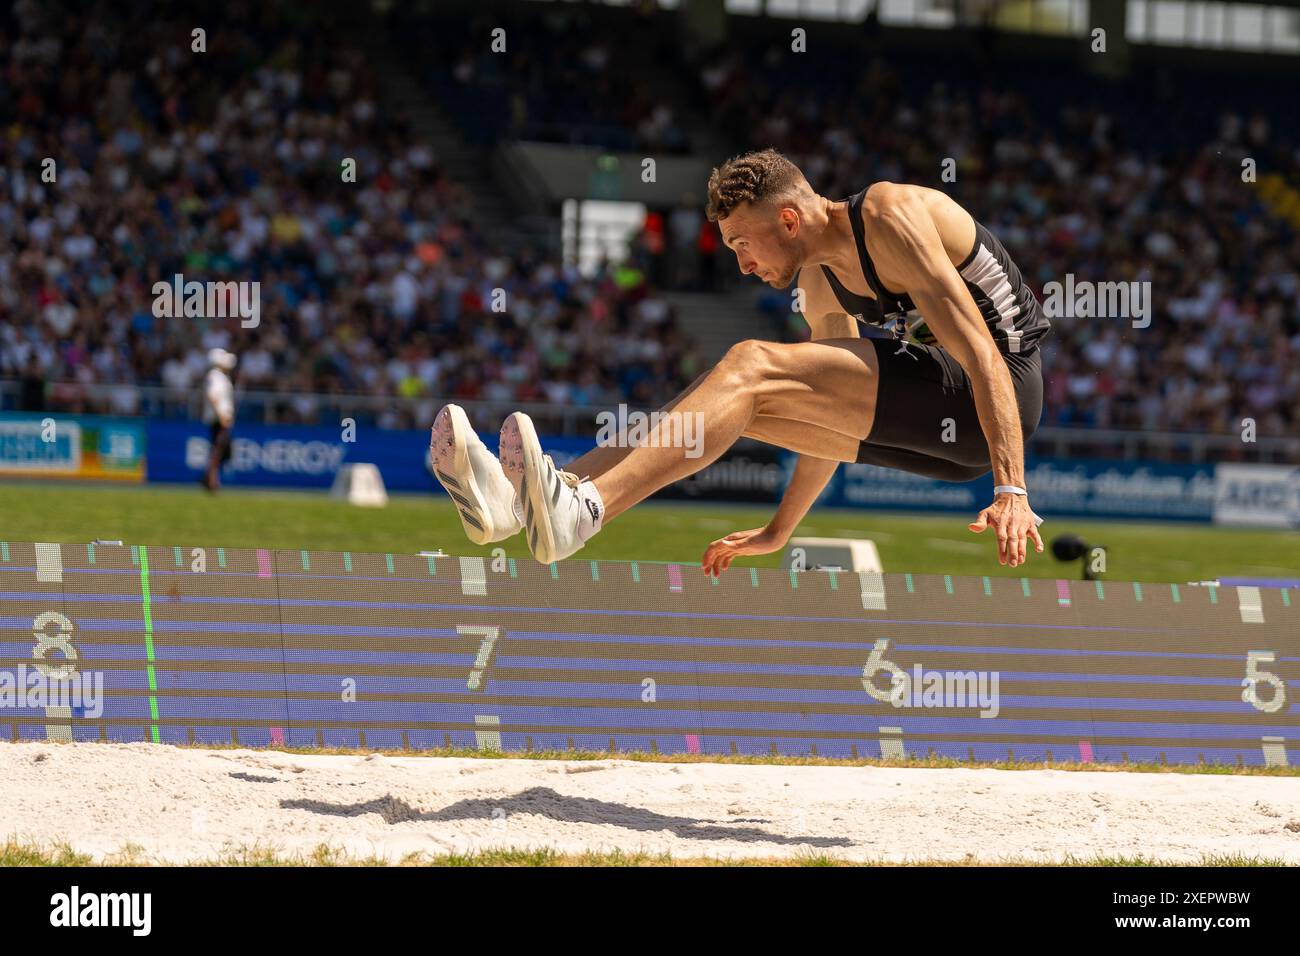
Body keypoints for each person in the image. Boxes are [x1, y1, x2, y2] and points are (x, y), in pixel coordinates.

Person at [434, 148, 1051, 572]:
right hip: (946, 433)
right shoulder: (818, 282)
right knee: (727, 404)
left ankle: (582, 513)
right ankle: (535, 503)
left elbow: (983, 355)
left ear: (788, 219)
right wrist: (781, 530)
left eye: (740, 243)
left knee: (749, 364)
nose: (741, 264)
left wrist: (1013, 488)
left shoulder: (891, 217)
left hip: (997, 398)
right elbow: (834, 420)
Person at [201, 348, 237, 492]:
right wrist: (222, 415)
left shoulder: (219, 376)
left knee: (221, 451)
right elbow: (213, 395)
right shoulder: (215, 376)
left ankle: (209, 478)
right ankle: (211, 480)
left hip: (220, 419)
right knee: (219, 450)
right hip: (218, 419)